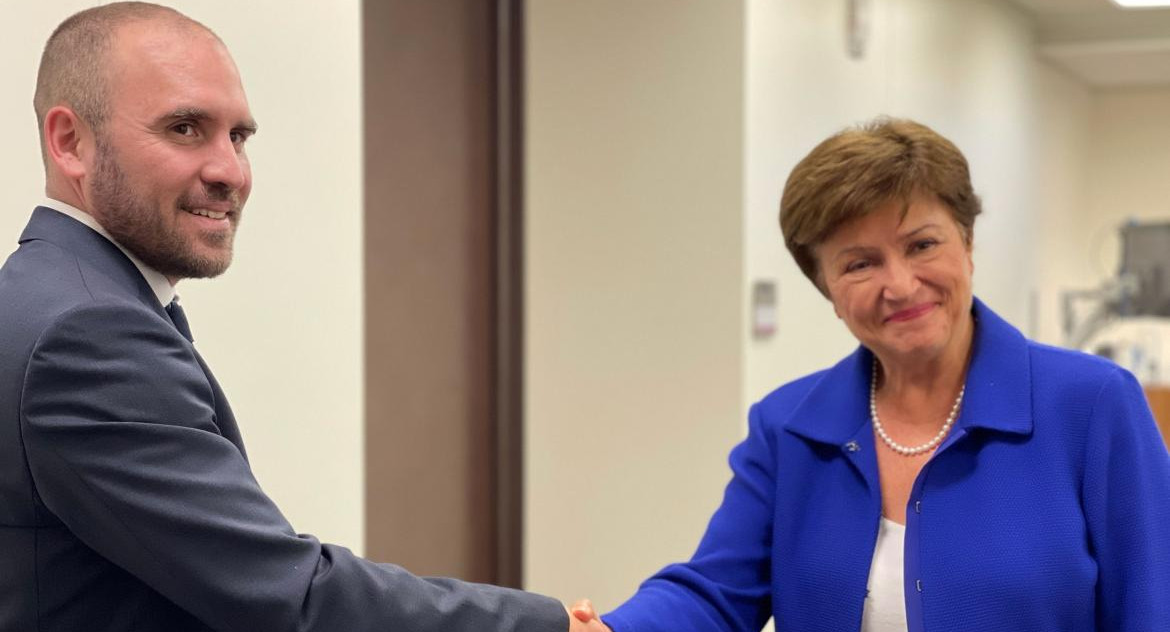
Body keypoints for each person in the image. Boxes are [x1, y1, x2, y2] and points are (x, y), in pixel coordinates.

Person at [0, 3, 604, 631]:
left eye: (239, 136)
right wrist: (553, 625)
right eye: (184, 128)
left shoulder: (42, 297)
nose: (230, 171)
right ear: (70, 141)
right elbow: (291, 599)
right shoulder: (87, 334)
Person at [570, 118, 1170, 631]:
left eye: (921, 245)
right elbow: (714, 595)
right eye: (860, 263)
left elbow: (1153, 608)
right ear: (827, 289)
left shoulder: (1092, 407)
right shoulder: (791, 428)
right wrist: (614, 629)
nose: (901, 285)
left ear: (967, 242)